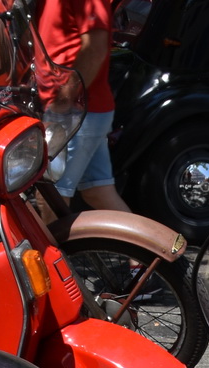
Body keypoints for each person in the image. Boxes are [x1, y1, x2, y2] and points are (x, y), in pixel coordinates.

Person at [37, 0, 132, 212]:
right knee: (98, 192)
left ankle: (50, 247)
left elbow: (96, 47)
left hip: (77, 111)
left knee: (50, 196)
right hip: (82, 110)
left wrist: (66, 97)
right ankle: (150, 245)